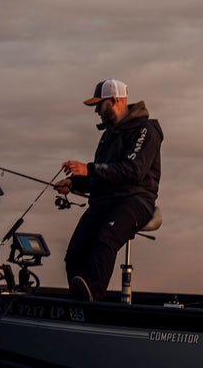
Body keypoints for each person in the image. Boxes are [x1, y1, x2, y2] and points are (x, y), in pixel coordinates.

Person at [59, 79, 163, 300]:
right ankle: (77, 301)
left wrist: (87, 169)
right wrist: (75, 183)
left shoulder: (146, 130)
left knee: (105, 240)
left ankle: (92, 301)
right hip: (107, 201)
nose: (96, 110)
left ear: (115, 100)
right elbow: (104, 175)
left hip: (136, 200)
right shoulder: (108, 134)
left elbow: (133, 170)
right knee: (75, 253)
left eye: (100, 104)